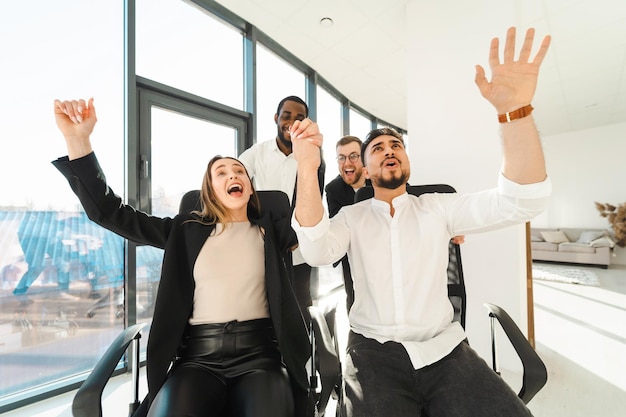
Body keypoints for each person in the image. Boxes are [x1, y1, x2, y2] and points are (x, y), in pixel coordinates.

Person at [291, 27, 552, 416]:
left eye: (396, 144)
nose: (389, 150)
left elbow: (522, 201)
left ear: (407, 160)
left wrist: (513, 113)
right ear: (364, 168)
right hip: (373, 355)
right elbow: (314, 250)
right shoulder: (352, 217)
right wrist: (307, 166)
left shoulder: (439, 208)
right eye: (377, 148)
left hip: (446, 350)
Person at [51, 98, 314, 417]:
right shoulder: (185, 230)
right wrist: (78, 140)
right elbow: (110, 213)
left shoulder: (272, 231)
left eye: (240, 171)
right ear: (210, 190)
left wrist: (307, 161)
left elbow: (309, 220)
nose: (234, 175)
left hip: (261, 357)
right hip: (197, 359)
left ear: (249, 186)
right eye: (222, 172)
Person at [238, 95, 325, 320]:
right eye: (286, 116)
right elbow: (236, 177)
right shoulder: (258, 153)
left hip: (299, 252)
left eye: (299, 118)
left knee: (300, 312)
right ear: (276, 118)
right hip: (265, 247)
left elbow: (313, 197)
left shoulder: (312, 156)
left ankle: (303, 354)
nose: (292, 122)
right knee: (265, 311)